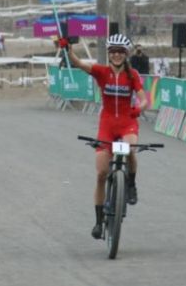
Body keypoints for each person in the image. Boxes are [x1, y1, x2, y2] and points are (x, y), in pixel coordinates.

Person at [59, 33, 148, 239]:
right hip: (107, 125)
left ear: (126, 55)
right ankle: (99, 222)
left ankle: (131, 185)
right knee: (101, 174)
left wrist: (138, 108)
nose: (117, 55)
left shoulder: (132, 74)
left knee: (130, 149)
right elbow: (78, 63)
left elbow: (144, 100)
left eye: (120, 52)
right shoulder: (101, 72)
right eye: (113, 52)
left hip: (127, 123)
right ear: (109, 54)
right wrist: (68, 49)